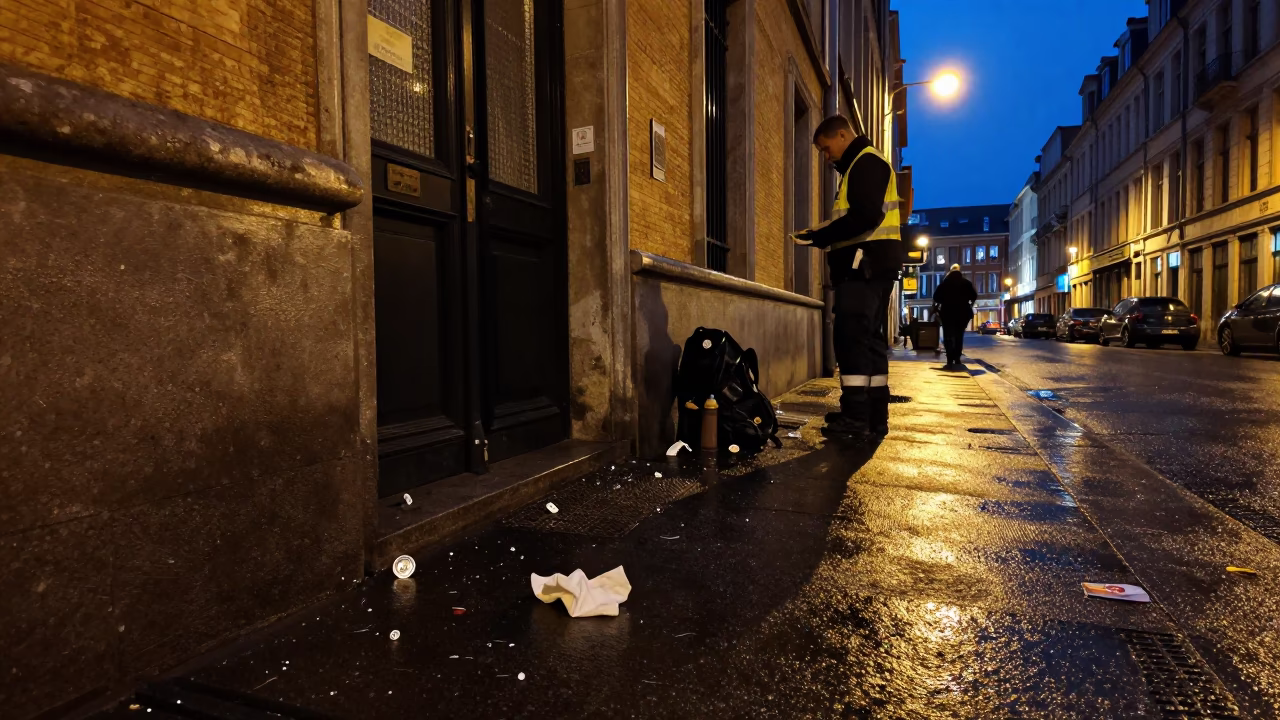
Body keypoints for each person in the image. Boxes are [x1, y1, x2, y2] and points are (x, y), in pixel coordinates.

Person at [792, 115, 903, 439]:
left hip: (863, 269)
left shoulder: (866, 163)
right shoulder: (867, 163)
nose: (828, 157)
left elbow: (865, 217)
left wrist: (821, 235)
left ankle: (857, 418)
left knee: (852, 341)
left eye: (827, 149)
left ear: (842, 135)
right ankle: (871, 417)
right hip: (870, 268)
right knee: (868, 344)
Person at [932, 264, 977, 368]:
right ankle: (957, 357)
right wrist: (968, 303)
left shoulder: (944, 284)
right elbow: (973, 296)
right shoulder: (966, 283)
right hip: (962, 313)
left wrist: (945, 301)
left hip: (947, 313)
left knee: (948, 335)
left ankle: (949, 358)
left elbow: (936, 297)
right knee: (959, 335)